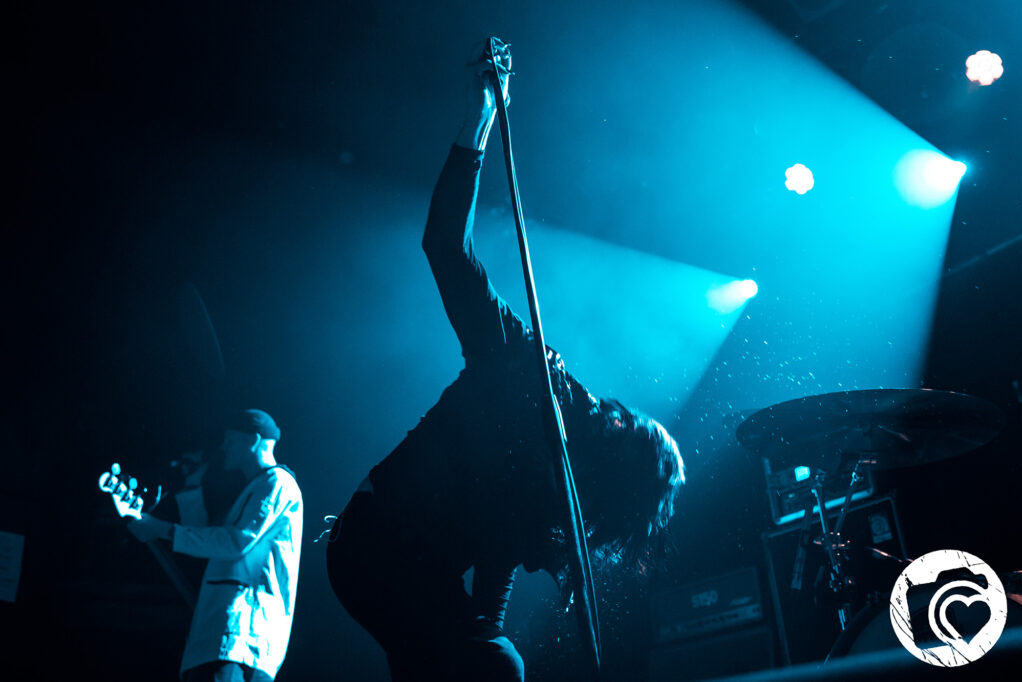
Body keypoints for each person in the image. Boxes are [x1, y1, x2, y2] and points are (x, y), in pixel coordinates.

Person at [325, 39, 685, 682]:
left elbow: (490, 587)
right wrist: (481, 121)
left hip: (422, 575)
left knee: (490, 663)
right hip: (373, 542)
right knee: (495, 670)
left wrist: (486, 642)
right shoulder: (531, 374)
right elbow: (445, 247)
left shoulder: (563, 505)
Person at [129, 409, 303, 682]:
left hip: (240, 639)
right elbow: (212, 541)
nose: (223, 447)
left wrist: (162, 529)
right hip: (219, 640)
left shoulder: (277, 483)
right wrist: (192, 487)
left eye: (230, 440)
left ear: (254, 440)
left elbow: (236, 541)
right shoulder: (255, 489)